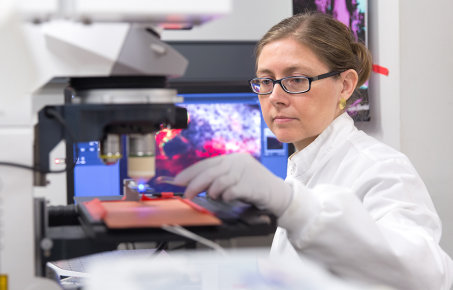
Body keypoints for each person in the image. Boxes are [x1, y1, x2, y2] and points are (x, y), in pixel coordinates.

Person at [172, 12, 453, 290]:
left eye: (296, 80)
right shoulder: (305, 165)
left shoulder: (381, 169)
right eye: (266, 81)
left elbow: (427, 276)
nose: (275, 98)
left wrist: (292, 205)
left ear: (345, 85)